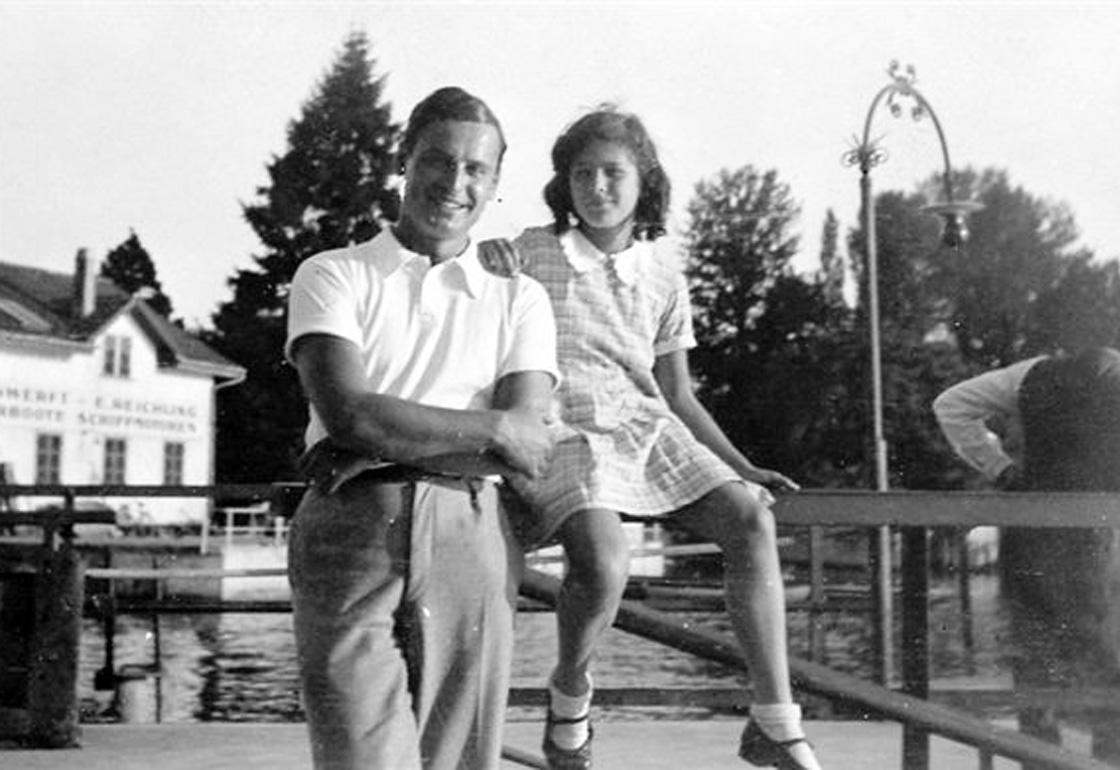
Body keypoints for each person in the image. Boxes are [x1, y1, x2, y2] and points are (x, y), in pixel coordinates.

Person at [489, 107, 822, 770]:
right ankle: (570, 695)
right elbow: (467, 301)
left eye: (613, 173)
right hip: (563, 428)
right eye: (582, 173)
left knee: (749, 517)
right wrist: (487, 263)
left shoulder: (664, 275)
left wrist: (743, 466)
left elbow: (677, 394)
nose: (597, 187)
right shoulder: (528, 250)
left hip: (643, 429)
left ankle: (775, 721)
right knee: (605, 562)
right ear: (564, 184)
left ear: (645, 184)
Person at [284, 86, 561, 770]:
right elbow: (349, 410)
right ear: (403, 162)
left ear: (496, 185)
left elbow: (530, 443)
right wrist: (487, 429)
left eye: (477, 170)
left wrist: (380, 444)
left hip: (472, 533)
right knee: (360, 759)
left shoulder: (519, 299)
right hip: (352, 532)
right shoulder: (334, 275)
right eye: (437, 160)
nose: (454, 182)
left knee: (458, 760)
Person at [933, 304, 1120, 770]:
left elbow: (951, 405)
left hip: (1032, 548)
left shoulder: (1033, 372)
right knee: (1114, 673)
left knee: (1038, 675)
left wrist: (999, 468)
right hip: (1106, 553)